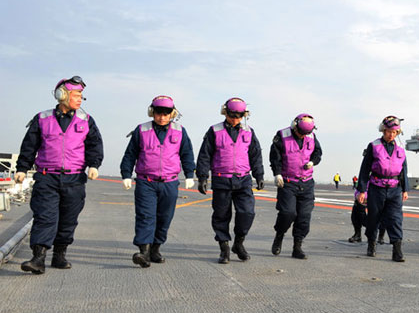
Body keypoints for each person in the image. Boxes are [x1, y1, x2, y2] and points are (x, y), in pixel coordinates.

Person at [15, 76, 103, 274]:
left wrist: (94, 165)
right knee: (45, 216)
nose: (80, 99)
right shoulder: (42, 119)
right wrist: (22, 168)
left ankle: (60, 254)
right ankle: (38, 257)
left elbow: (94, 145)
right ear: (62, 95)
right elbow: (29, 146)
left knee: (68, 219)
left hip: (74, 179)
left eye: (81, 96)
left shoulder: (86, 120)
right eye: (76, 95)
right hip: (47, 177)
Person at [120, 95, 195, 267]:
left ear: (172, 113)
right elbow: (130, 154)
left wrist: (190, 174)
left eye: (166, 113)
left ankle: (155, 248)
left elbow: (187, 154)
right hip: (146, 181)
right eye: (159, 113)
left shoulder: (180, 131)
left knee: (164, 218)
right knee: (146, 216)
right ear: (152, 112)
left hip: (170, 182)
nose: (162, 117)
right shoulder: (142, 130)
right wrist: (126, 174)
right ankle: (143, 252)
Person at [195, 97, 265, 264]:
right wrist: (203, 177)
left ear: (244, 115)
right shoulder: (215, 131)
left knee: (247, 213)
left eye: (239, 115)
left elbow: (255, 155)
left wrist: (259, 175)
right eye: (232, 114)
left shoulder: (249, 131)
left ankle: (239, 243)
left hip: (243, 180)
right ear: (225, 112)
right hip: (221, 180)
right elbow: (205, 155)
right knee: (221, 215)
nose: (235, 118)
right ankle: (224, 248)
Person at [356, 115, 409, 262]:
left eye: (394, 132)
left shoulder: (400, 149)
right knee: (374, 218)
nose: (391, 135)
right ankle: (371, 244)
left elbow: (404, 169)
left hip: (394, 189)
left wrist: (405, 189)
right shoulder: (374, 146)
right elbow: (365, 168)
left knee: (395, 219)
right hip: (376, 188)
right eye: (388, 131)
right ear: (383, 131)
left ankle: (397, 250)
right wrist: (362, 190)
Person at [269, 113, 321, 259]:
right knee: (288, 213)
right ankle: (279, 235)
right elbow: (275, 156)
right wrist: (277, 173)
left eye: (306, 134)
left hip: (306, 182)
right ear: (294, 126)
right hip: (288, 182)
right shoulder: (282, 135)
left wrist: (313, 162)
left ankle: (297, 247)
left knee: (304, 216)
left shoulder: (311, 136)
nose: (302, 135)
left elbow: (318, 152)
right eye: (300, 132)